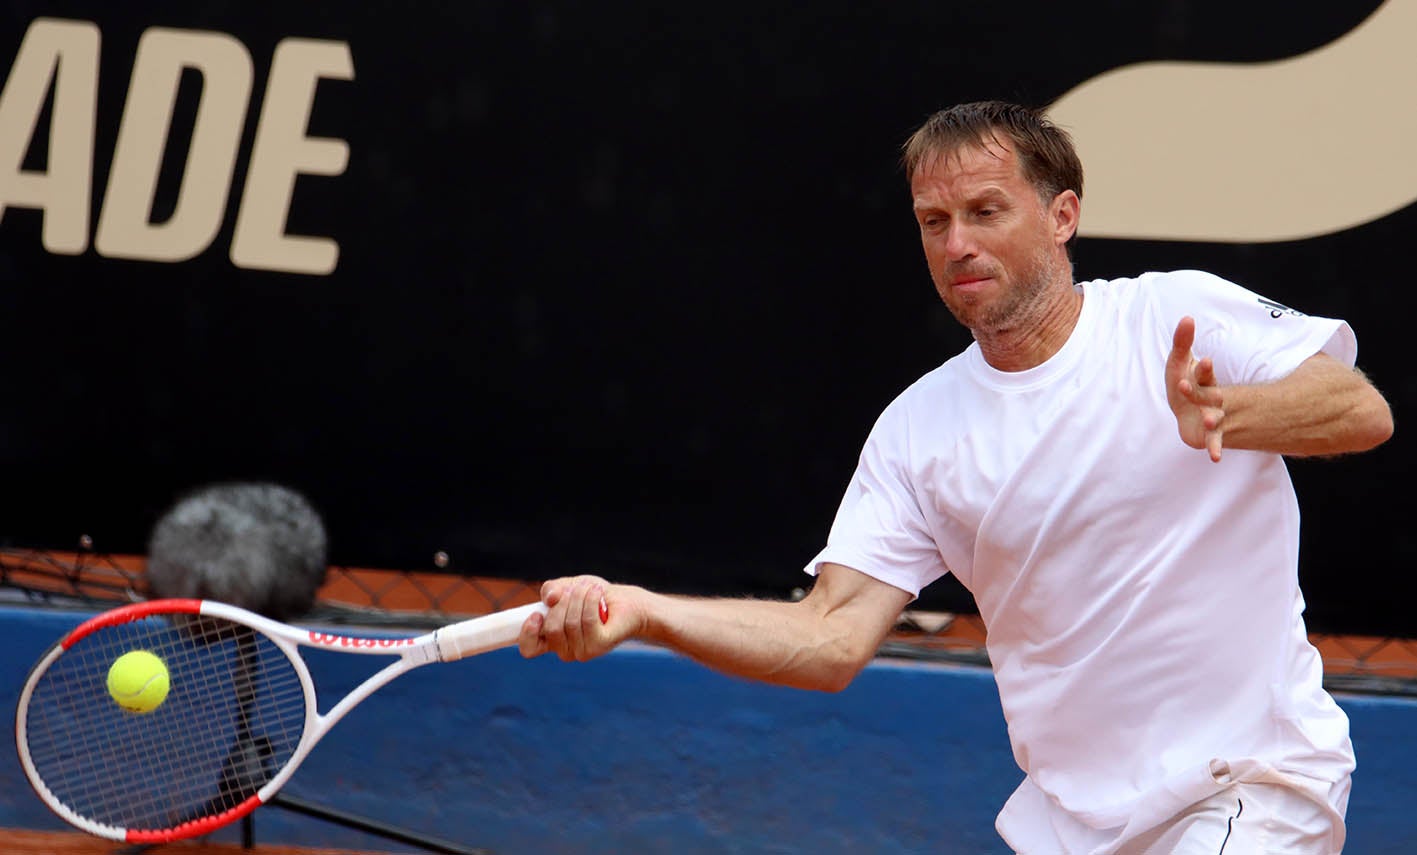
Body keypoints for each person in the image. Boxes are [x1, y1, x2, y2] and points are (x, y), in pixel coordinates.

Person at [517, 101, 1393, 853]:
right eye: (934, 222)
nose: (958, 243)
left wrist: (1230, 415)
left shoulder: (1173, 314)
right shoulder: (915, 430)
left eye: (985, 210)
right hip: (1069, 819)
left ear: (1061, 214)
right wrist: (641, 610)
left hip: (1249, 785)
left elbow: (1358, 410)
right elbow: (828, 638)